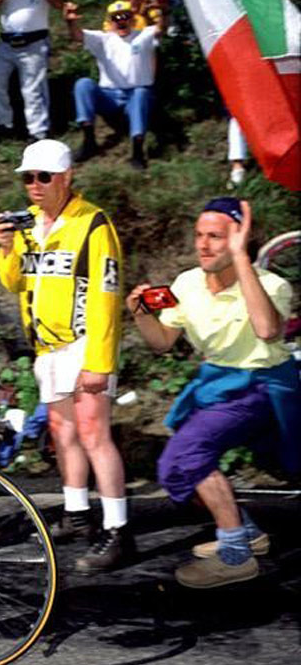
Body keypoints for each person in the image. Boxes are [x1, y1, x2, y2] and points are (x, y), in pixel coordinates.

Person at [126, 198, 299, 588]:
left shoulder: (272, 285)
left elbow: (268, 331)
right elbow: (162, 342)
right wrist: (140, 314)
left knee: (186, 455)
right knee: (176, 469)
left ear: (239, 239)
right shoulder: (187, 283)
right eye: (199, 235)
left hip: (263, 386)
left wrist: (241, 261)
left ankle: (235, 555)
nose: (203, 244)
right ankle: (244, 531)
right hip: (217, 384)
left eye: (216, 237)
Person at [0, 139, 132, 572]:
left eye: (43, 177)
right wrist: (5, 248)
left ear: (67, 177)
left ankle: (118, 530)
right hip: (47, 347)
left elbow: (108, 296)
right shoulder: (29, 224)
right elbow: (14, 282)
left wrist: (99, 361)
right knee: (63, 433)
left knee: (94, 434)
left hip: (83, 342)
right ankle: (76, 513)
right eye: (27, 177)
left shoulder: (93, 224)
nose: (33, 186)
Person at [65, 0, 168, 169]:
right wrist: (70, 22)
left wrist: (164, 12)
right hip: (110, 96)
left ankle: (137, 151)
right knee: (83, 84)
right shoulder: (103, 39)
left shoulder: (143, 35)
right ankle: (89, 141)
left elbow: (161, 29)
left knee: (141, 93)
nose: (121, 22)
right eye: (116, 18)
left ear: (133, 19)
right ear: (109, 21)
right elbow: (77, 36)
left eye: (125, 16)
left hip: (135, 95)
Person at [0, 0, 64, 142]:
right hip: (7, 43)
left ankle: (38, 131)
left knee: (32, 88)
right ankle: (4, 124)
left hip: (34, 41)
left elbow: (59, 4)